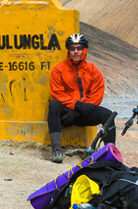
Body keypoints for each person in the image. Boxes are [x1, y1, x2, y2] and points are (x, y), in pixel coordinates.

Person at [47, 33, 115, 162]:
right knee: (54, 105)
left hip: (84, 113)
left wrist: (81, 110)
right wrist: (75, 106)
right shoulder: (59, 69)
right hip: (66, 114)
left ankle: (110, 154)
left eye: (79, 48)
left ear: (84, 49)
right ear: (68, 50)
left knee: (108, 115)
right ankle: (56, 149)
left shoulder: (92, 70)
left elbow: (97, 92)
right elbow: (57, 93)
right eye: (72, 48)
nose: (76, 51)